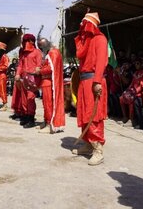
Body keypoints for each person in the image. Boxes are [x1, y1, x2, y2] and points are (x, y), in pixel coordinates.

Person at [71, 12, 108, 166]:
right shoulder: (85, 42)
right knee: (84, 114)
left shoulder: (100, 39)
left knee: (94, 116)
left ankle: (98, 150)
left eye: (83, 23)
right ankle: (87, 144)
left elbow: (101, 61)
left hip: (94, 81)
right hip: (84, 81)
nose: (81, 26)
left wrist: (97, 81)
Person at [35, 37, 65, 134]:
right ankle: (46, 121)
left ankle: (50, 124)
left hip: (49, 83)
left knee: (48, 104)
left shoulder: (53, 53)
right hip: (46, 82)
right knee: (46, 104)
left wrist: (40, 71)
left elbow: (51, 69)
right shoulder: (50, 53)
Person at [14, 34, 42, 129]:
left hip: (33, 80)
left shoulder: (37, 52)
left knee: (30, 98)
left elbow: (39, 65)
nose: (24, 43)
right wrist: (17, 74)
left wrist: (37, 70)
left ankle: (31, 118)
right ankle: (26, 115)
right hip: (24, 79)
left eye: (26, 41)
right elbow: (20, 66)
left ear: (31, 42)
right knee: (24, 98)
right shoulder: (24, 54)